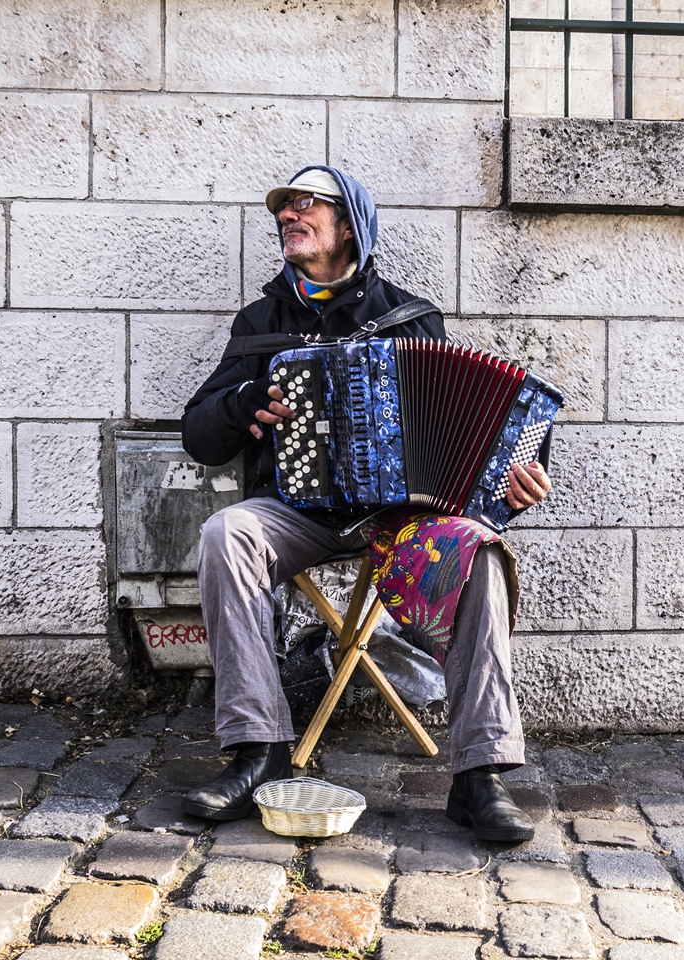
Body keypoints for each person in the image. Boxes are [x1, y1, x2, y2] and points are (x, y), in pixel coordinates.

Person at [180, 166, 552, 842]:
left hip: (400, 521)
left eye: (306, 204)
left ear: (349, 224)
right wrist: (244, 402)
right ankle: (258, 751)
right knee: (226, 532)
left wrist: (513, 485)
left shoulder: (410, 318)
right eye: (283, 207)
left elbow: (465, 438)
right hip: (297, 513)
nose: (288, 215)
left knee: (482, 553)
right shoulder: (262, 323)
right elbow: (200, 437)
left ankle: (480, 774)